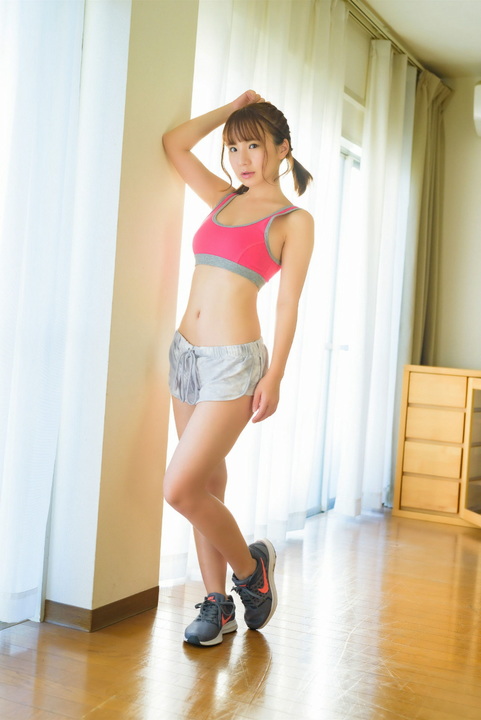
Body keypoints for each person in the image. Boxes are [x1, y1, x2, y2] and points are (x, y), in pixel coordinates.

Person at [162, 90, 314, 647]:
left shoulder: (293, 220)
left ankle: (251, 572)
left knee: (179, 488)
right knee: (205, 483)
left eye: (254, 145)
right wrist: (230, 110)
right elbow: (175, 144)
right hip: (185, 354)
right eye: (233, 147)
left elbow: (288, 304)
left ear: (282, 149)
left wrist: (275, 376)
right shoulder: (223, 199)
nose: (242, 158)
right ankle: (218, 605)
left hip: (234, 364)